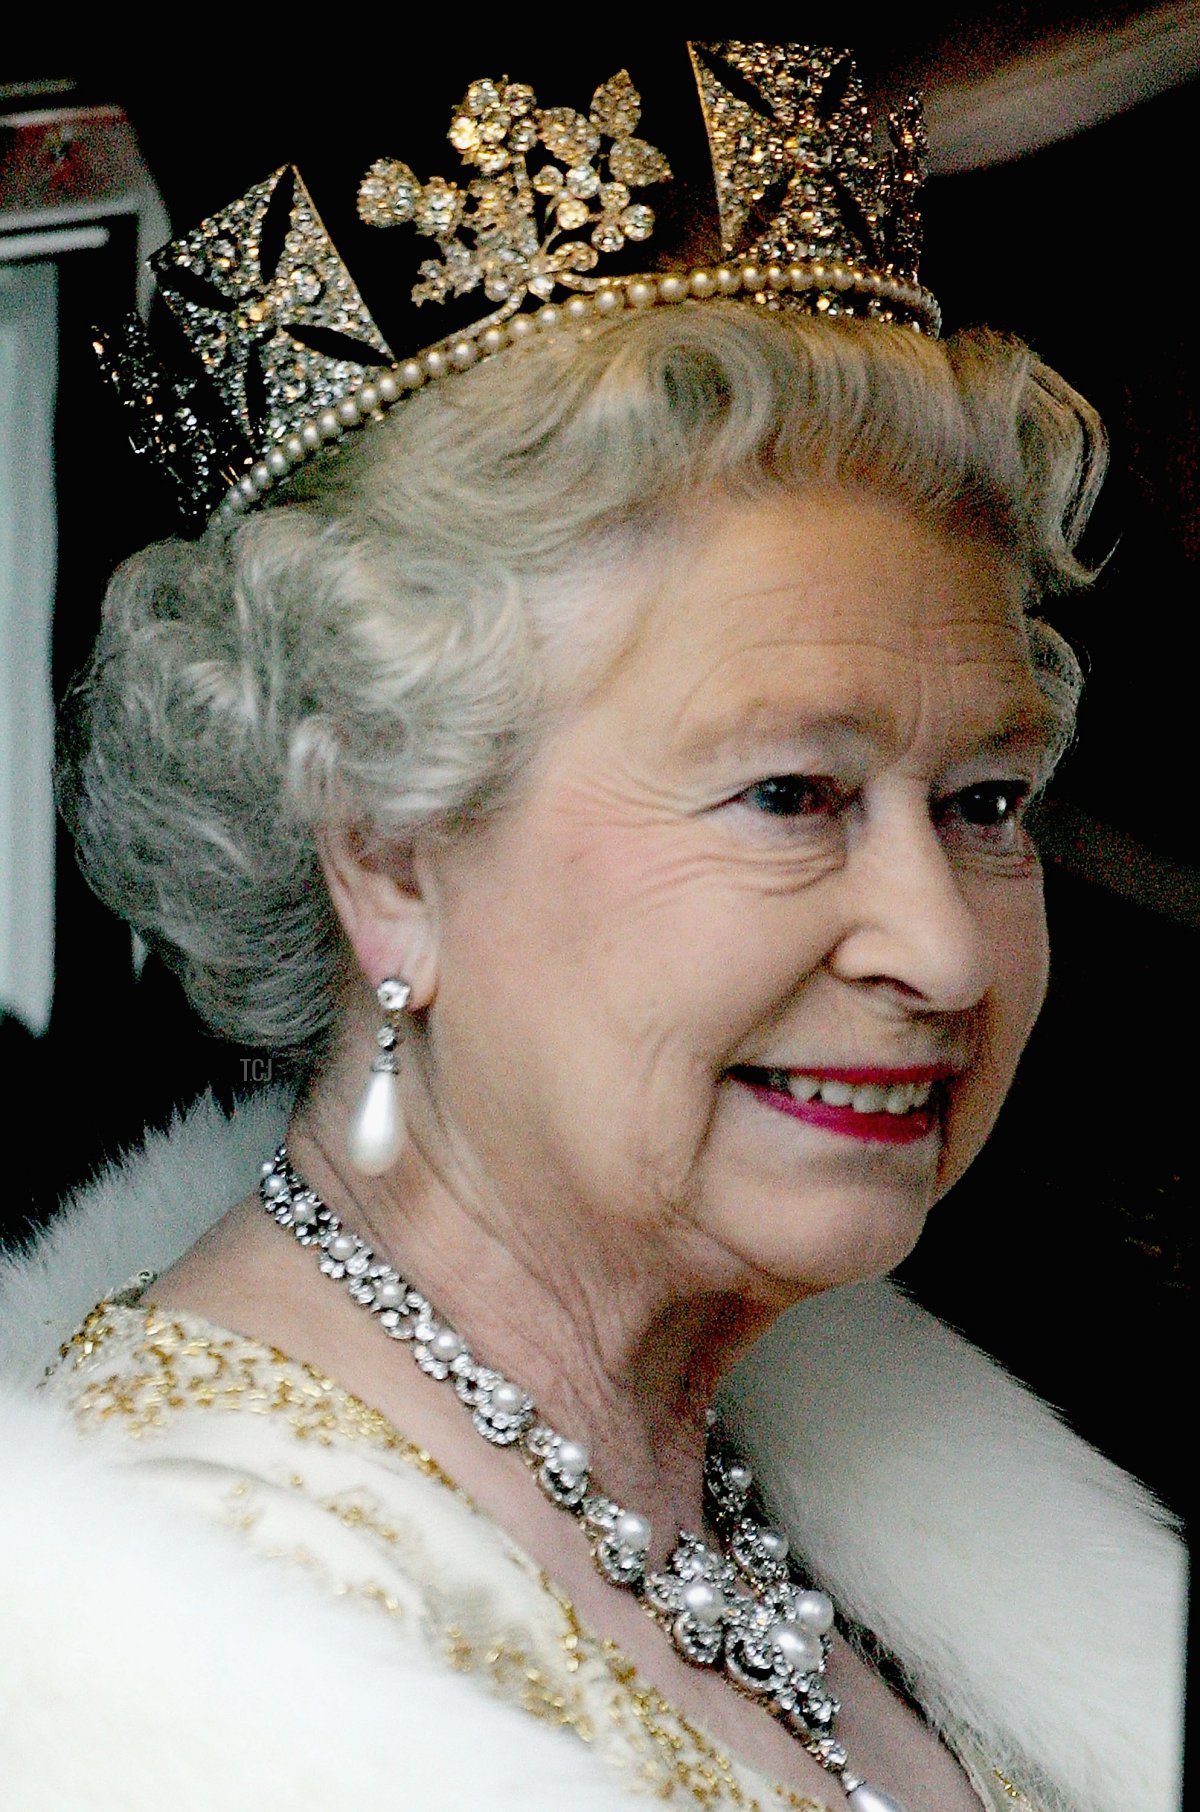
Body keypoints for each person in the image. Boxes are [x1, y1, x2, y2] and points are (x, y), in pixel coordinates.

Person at [0, 42, 1183, 1812]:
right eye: (790, 799)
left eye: (985, 804)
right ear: (388, 849)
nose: (940, 952)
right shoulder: (162, 1678)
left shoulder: (815, 1464)